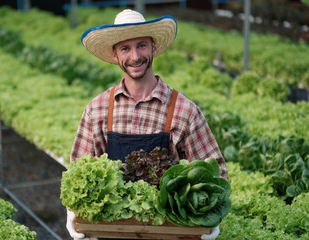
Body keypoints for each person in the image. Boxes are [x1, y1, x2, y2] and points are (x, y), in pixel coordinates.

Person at [66, 9, 228, 240]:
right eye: (125, 48)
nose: (135, 56)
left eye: (141, 45)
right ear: (115, 55)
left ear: (153, 47)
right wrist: (74, 212)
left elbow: (217, 176)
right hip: (113, 232)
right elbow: (79, 174)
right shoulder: (97, 110)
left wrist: (209, 218)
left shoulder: (184, 111)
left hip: (171, 233)